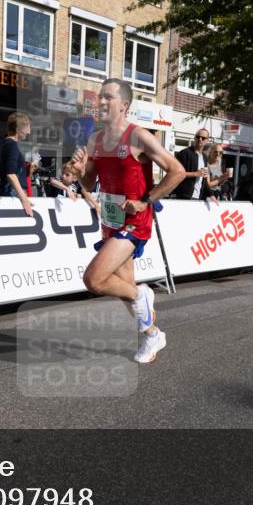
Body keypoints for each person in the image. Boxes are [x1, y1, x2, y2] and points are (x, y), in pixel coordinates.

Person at [68, 78, 184, 364]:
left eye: (108, 97)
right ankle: (152, 333)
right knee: (123, 287)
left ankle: (142, 296)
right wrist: (82, 170)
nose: (102, 102)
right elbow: (90, 181)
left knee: (94, 279)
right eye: (100, 97)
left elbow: (177, 171)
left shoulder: (138, 136)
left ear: (124, 105)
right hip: (110, 218)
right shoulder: (94, 139)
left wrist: (147, 199)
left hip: (136, 220)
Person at [0, 112, 33, 216]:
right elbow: (11, 174)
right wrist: (24, 199)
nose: (29, 132)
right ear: (18, 129)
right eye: (27, 128)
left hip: (10, 192)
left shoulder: (5, 143)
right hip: (14, 194)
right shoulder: (12, 145)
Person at [171, 131, 211, 199]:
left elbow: (204, 179)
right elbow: (176, 173)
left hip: (198, 196)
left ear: (207, 140)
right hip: (184, 195)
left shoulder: (204, 156)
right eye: (198, 137)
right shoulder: (184, 153)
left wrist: (211, 194)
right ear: (194, 138)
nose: (200, 139)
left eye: (203, 138)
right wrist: (195, 174)